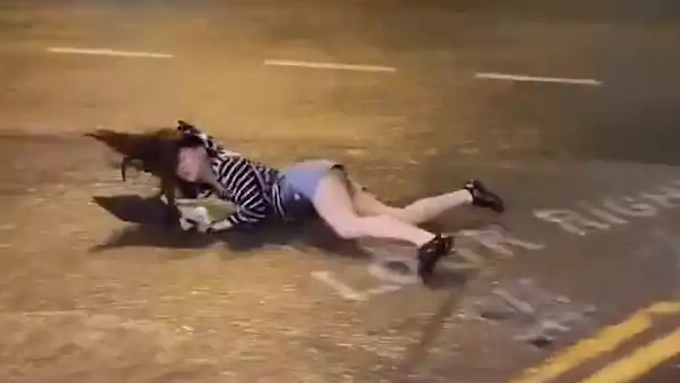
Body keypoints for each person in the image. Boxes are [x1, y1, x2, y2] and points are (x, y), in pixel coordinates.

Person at [170, 121, 504, 282]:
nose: (183, 169)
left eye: (183, 158)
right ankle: (469, 192)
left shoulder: (227, 167)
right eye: (176, 168)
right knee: (398, 216)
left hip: (307, 183)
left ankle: (431, 242)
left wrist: (220, 223)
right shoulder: (213, 181)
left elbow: (255, 210)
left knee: (347, 227)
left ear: (199, 149)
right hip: (316, 177)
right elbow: (236, 207)